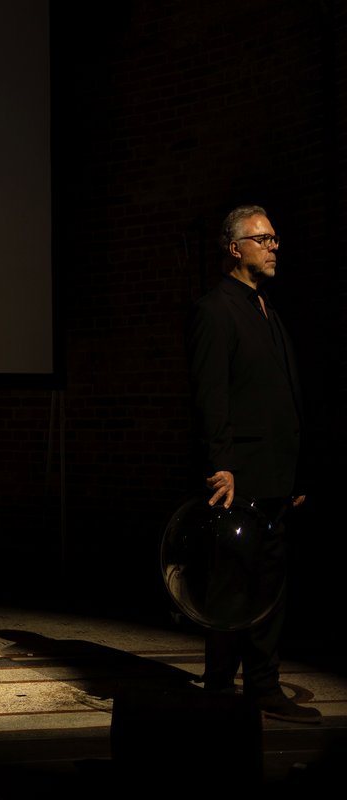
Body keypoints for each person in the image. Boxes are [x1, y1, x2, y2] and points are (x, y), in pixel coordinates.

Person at [186, 204, 319, 724]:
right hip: (239, 475)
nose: (273, 246)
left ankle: (251, 683)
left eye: (274, 238)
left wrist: (297, 471)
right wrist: (221, 464)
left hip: (276, 473)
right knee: (233, 584)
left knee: (267, 584)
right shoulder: (216, 309)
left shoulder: (267, 308)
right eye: (262, 239)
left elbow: (282, 395)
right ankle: (232, 685)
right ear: (234, 248)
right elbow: (211, 395)